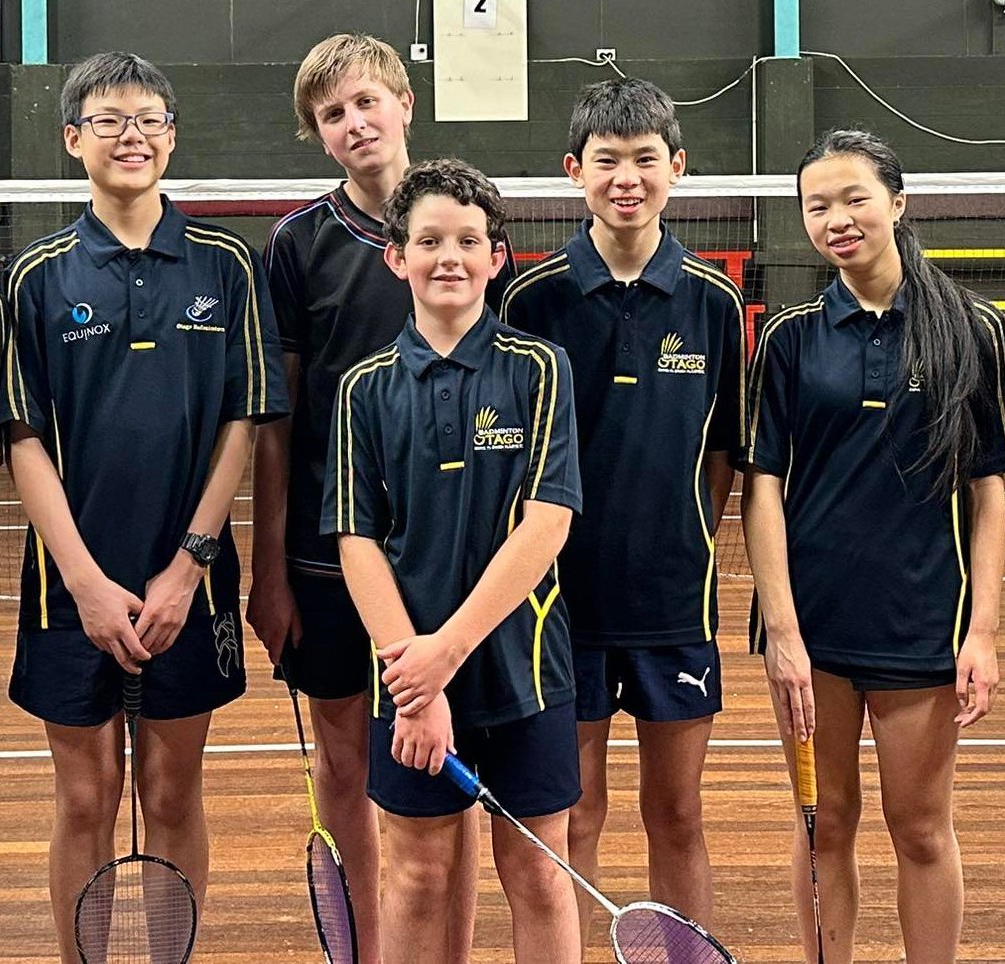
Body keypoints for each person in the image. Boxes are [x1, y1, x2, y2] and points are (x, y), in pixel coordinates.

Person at [1, 51, 287, 961]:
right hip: (67, 587)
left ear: (172, 134)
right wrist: (84, 582)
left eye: (151, 119)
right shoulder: (37, 276)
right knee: (83, 799)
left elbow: (245, 418)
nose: (134, 136)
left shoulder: (227, 265)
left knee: (172, 793)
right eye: (110, 120)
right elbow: (23, 439)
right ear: (72, 139)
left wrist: (188, 564)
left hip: (188, 585)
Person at [252, 35, 516, 958]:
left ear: (405, 102)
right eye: (333, 115)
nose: (355, 123)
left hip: (452, 559)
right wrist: (270, 569)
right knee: (346, 759)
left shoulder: (471, 219)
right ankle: (368, 942)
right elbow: (278, 418)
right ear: (319, 137)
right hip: (333, 558)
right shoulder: (297, 245)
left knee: (450, 766)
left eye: (367, 102)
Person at [741, 129, 1005, 962]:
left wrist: (982, 633)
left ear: (898, 203)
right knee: (823, 823)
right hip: (813, 631)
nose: (836, 218)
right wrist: (783, 633)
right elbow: (763, 489)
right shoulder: (790, 337)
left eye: (854, 197)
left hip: (923, 625)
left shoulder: (969, 326)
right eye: (816, 205)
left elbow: (991, 497)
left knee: (922, 828)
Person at [499, 76, 744, 942]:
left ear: (677, 166)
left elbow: (724, 454)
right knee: (578, 811)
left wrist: (682, 532)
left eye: (646, 159)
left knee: (677, 813)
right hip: (561, 607)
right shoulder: (531, 302)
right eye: (607, 160)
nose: (627, 177)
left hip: (675, 604)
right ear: (575, 170)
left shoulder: (714, 304)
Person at [327, 158, 583, 964]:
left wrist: (445, 656)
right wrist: (416, 679)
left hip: (525, 668)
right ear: (395, 256)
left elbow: (546, 525)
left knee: (540, 878)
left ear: (497, 256)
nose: (450, 257)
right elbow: (356, 539)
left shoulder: (540, 369)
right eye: (429, 239)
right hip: (404, 676)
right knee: (417, 878)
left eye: (469, 240)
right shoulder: (363, 389)